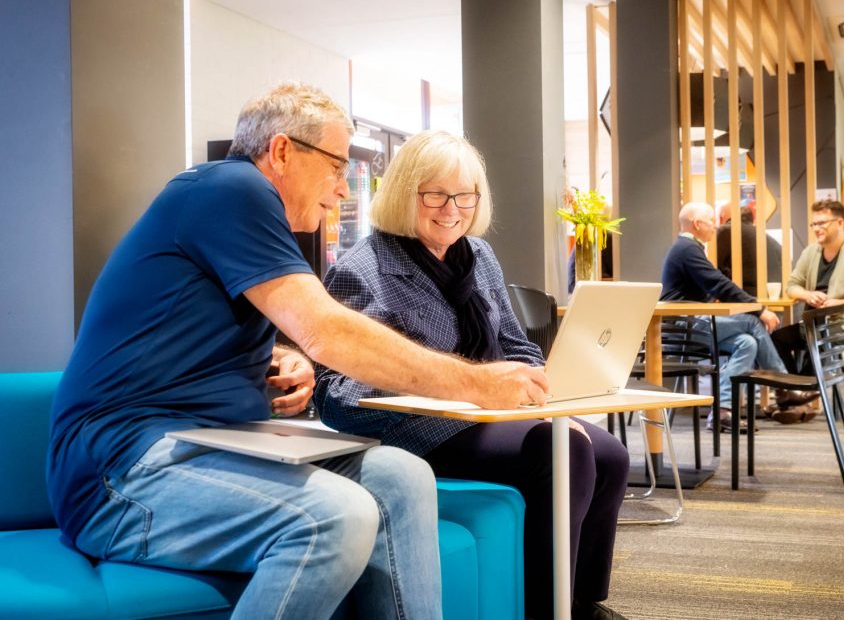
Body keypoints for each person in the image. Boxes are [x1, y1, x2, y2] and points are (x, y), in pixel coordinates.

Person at [47, 84, 549, 620]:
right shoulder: (231, 189)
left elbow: (204, 333)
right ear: (283, 151)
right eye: (336, 167)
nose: (340, 191)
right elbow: (325, 329)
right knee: (335, 515)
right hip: (119, 470)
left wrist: (282, 360)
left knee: (402, 476)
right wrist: (478, 384)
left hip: (210, 444)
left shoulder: (243, 206)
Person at [314, 130, 629, 620]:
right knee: (563, 454)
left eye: (465, 195)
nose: (451, 208)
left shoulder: (477, 256)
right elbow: (337, 394)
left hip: (494, 415)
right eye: (435, 195)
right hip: (422, 431)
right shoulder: (364, 269)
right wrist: (453, 384)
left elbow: (512, 342)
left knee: (610, 453)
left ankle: (584, 602)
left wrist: (541, 376)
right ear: (403, 194)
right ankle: (546, 608)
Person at [660, 202, 820, 430]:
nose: (715, 227)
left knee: (748, 343)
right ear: (697, 225)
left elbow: (715, 281)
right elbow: (718, 285)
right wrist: (759, 308)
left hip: (693, 323)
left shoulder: (688, 248)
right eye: (711, 222)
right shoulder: (686, 249)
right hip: (685, 327)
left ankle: (723, 412)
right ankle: (783, 388)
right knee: (754, 321)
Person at [772, 200, 844, 373]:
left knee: (819, 339)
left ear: (840, 223)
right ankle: (795, 389)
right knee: (777, 338)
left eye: (821, 223)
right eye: (814, 224)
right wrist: (808, 295)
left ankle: (805, 388)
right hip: (818, 325)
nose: (816, 228)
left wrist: (843, 303)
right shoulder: (811, 252)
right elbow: (792, 286)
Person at [715, 203, 783, 297]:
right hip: (778, 293)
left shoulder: (726, 230)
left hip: (750, 295)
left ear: (721, 217)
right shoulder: (760, 234)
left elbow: (714, 267)